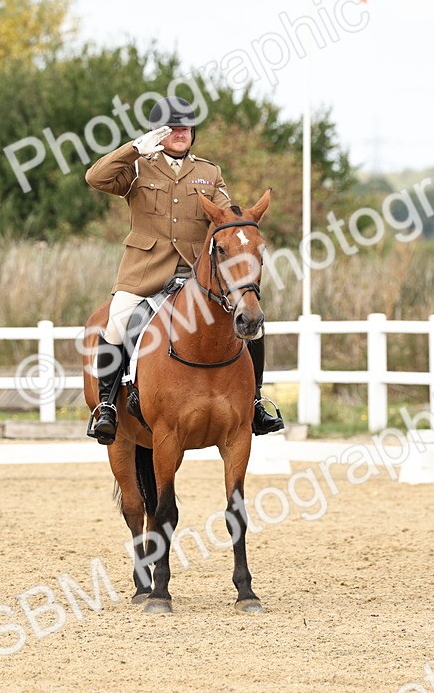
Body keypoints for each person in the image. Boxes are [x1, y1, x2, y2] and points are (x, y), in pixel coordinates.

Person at [83, 95, 284, 444]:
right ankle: (107, 406)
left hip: (197, 273)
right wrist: (134, 149)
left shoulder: (209, 173)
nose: (180, 133)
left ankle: (255, 402)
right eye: (172, 128)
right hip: (145, 271)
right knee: (117, 321)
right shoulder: (138, 167)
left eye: (186, 128)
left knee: (251, 323)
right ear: (157, 132)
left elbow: (225, 214)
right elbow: (95, 177)